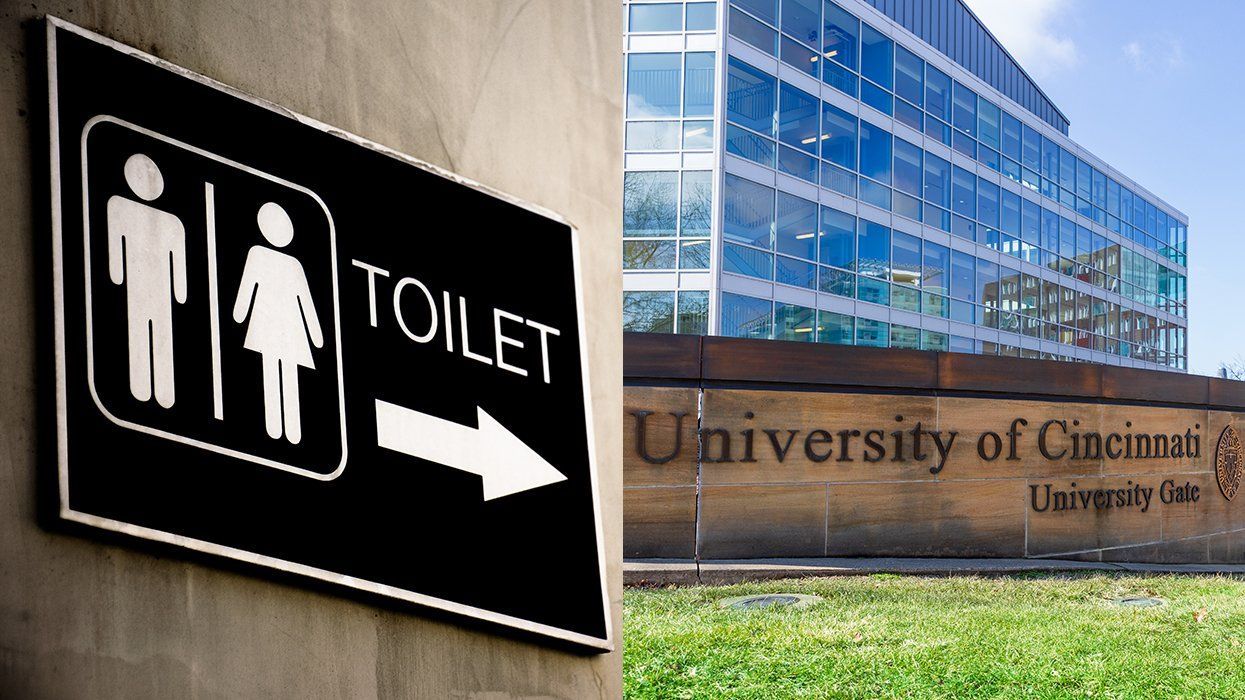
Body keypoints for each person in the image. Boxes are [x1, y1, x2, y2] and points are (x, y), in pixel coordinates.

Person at [232, 202, 323, 444]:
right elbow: (247, 289)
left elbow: (306, 301)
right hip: (269, 326)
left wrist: (316, 335)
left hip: (289, 330)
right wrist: (239, 314)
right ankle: (275, 428)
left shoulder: (293, 264)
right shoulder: (257, 255)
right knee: (272, 373)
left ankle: (291, 430)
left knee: (286, 375)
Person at [107, 153, 187, 408]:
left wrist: (180, 291)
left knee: (161, 335)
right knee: (139, 332)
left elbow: (179, 263)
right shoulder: (119, 207)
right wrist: (118, 275)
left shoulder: (173, 223)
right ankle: (141, 388)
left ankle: (163, 392)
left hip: (157, 289)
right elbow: (115, 252)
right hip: (138, 286)